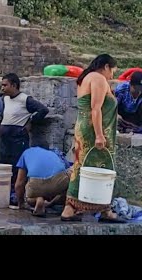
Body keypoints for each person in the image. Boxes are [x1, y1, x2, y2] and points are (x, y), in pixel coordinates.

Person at [60, 54, 125, 222]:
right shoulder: (97, 78)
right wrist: (99, 135)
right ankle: (105, 210)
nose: (112, 76)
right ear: (106, 67)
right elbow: (95, 109)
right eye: (112, 72)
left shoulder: (86, 78)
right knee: (106, 168)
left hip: (84, 128)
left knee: (80, 166)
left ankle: (70, 208)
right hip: (93, 131)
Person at [0, 73, 49, 185]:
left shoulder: (25, 99)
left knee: (17, 166)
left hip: (17, 139)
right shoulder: (5, 99)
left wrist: (31, 122)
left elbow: (43, 110)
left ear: (14, 85)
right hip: (4, 141)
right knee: (4, 167)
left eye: (5, 85)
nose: (2, 88)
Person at [14, 139, 72, 217]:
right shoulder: (53, 153)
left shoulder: (26, 152)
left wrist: (21, 204)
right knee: (69, 183)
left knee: (28, 196)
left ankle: (38, 199)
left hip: (36, 184)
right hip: (58, 181)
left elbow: (19, 184)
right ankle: (56, 204)